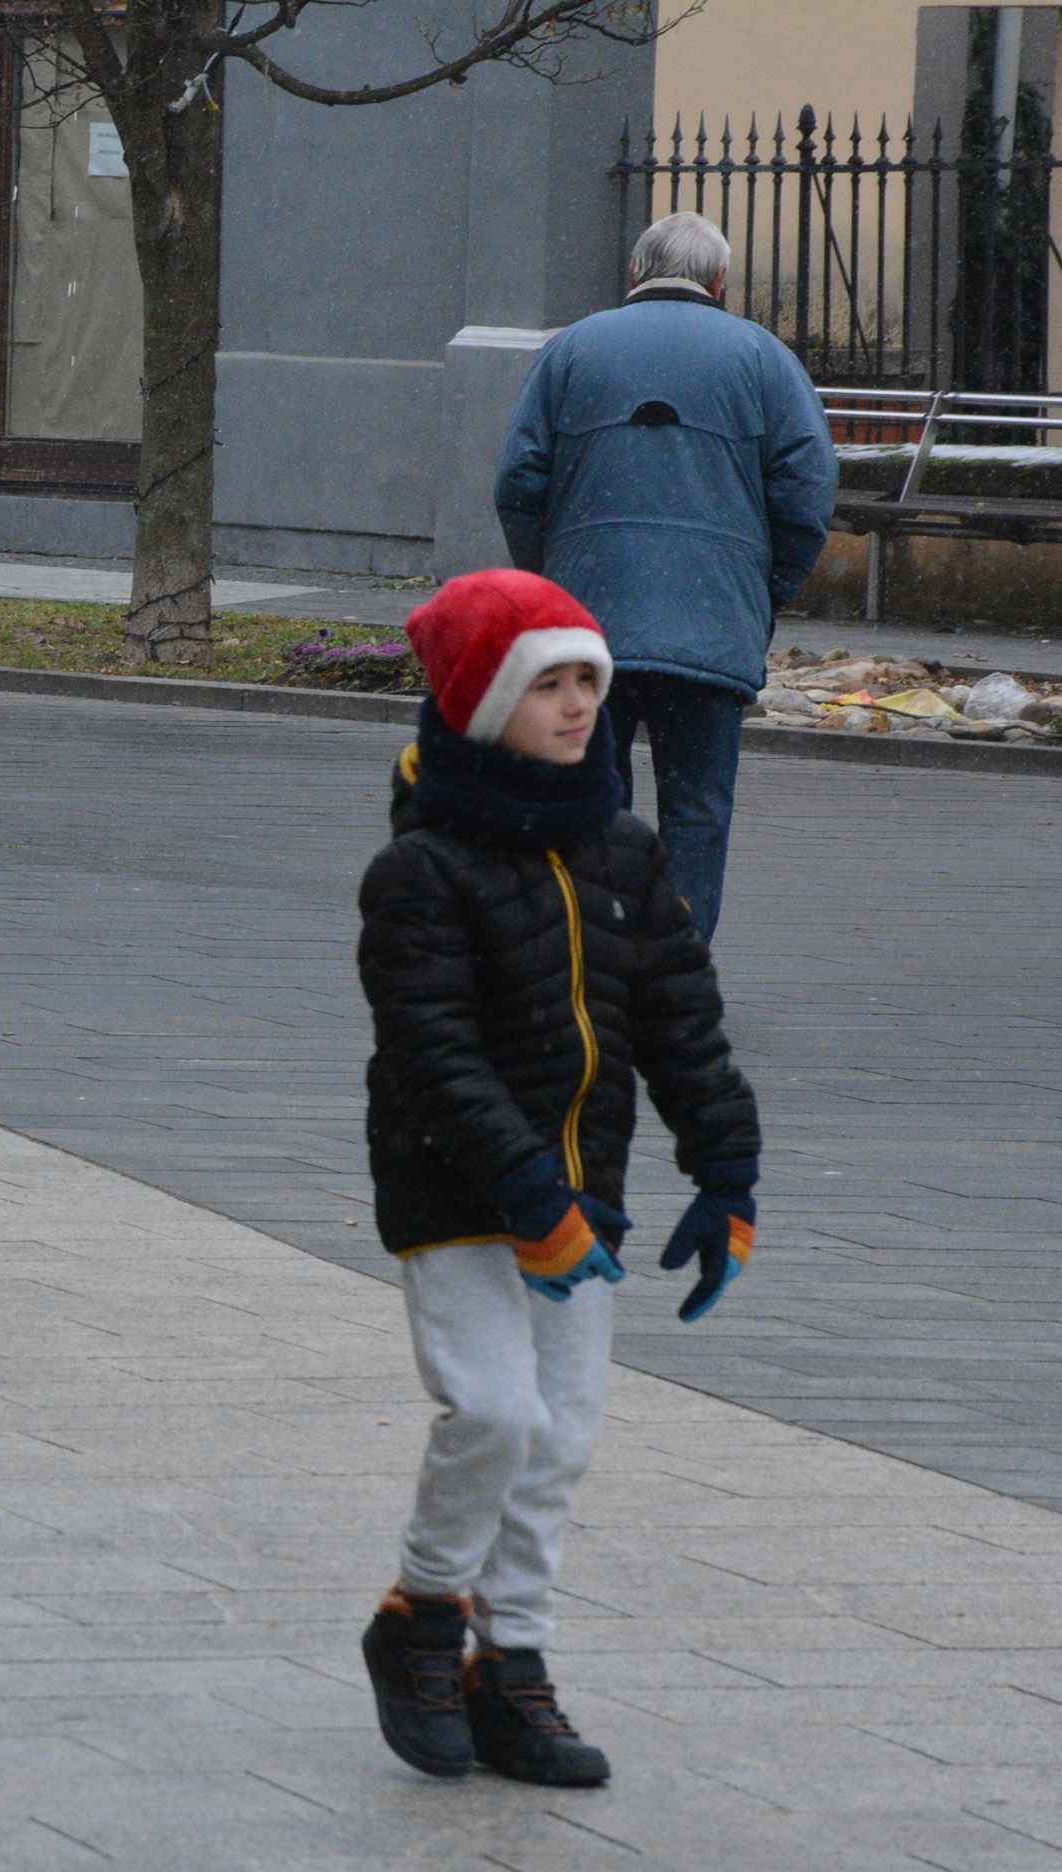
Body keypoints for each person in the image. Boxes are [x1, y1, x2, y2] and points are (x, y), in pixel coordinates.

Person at [356, 569, 762, 1787]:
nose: (581, 703)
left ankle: (511, 1664)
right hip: (460, 1195)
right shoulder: (421, 872)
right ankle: (421, 1615)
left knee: (560, 1438)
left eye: (590, 678)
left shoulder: (624, 851)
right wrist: (522, 1192)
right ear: (484, 699)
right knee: (494, 1411)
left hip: (586, 1198)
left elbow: (682, 1019)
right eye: (550, 682)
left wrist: (727, 1166)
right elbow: (431, 1050)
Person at [492, 210, 837, 940]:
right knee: (697, 814)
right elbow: (807, 494)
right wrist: (764, 591)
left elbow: (519, 482)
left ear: (634, 275)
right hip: (711, 627)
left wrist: (554, 579)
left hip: (591, 628)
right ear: (719, 280)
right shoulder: (765, 359)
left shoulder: (572, 351)